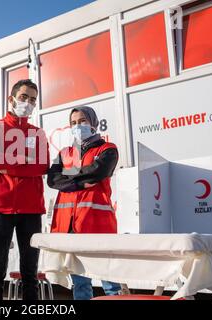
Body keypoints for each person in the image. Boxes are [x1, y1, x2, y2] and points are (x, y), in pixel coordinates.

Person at [0, 79, 50, 300]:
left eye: (32, 99)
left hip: (31, 208)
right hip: (0, 207)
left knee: (30, 272)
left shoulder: (37, 133)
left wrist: (9, 164)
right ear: (11, 99)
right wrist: (26, 162)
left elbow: (42, 166)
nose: (28, 102)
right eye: (23, 97)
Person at [47, 106, 121, 300]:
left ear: (93, 123)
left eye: (82, 121)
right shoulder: (64, 153)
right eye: (73, 123)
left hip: (98, 224)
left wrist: (69, 179)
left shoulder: (108, 148)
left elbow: (99, 171)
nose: (77, 126)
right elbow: (52, 179)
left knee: (110, 283)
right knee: (80, 284)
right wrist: (82, 182)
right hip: (71, 227)